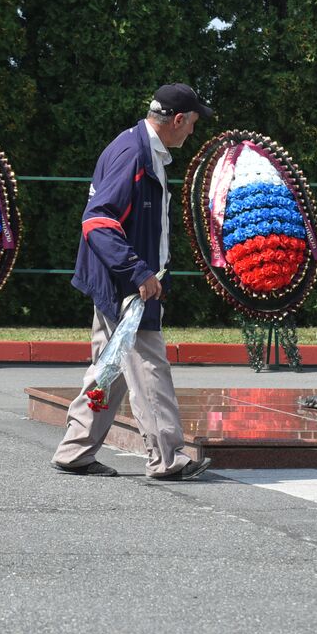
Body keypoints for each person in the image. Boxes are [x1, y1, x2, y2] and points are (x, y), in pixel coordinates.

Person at [51, 84, 215, 480]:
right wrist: (138, 272)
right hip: (125, 284)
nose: (192, 132)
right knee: (148, 365)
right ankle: (168, 457)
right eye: (192, 123)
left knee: (110, 368)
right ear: (177, 120)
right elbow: (98, 221)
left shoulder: (139, 148)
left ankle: (75, 450)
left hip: (115, 278)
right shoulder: (135, 154)